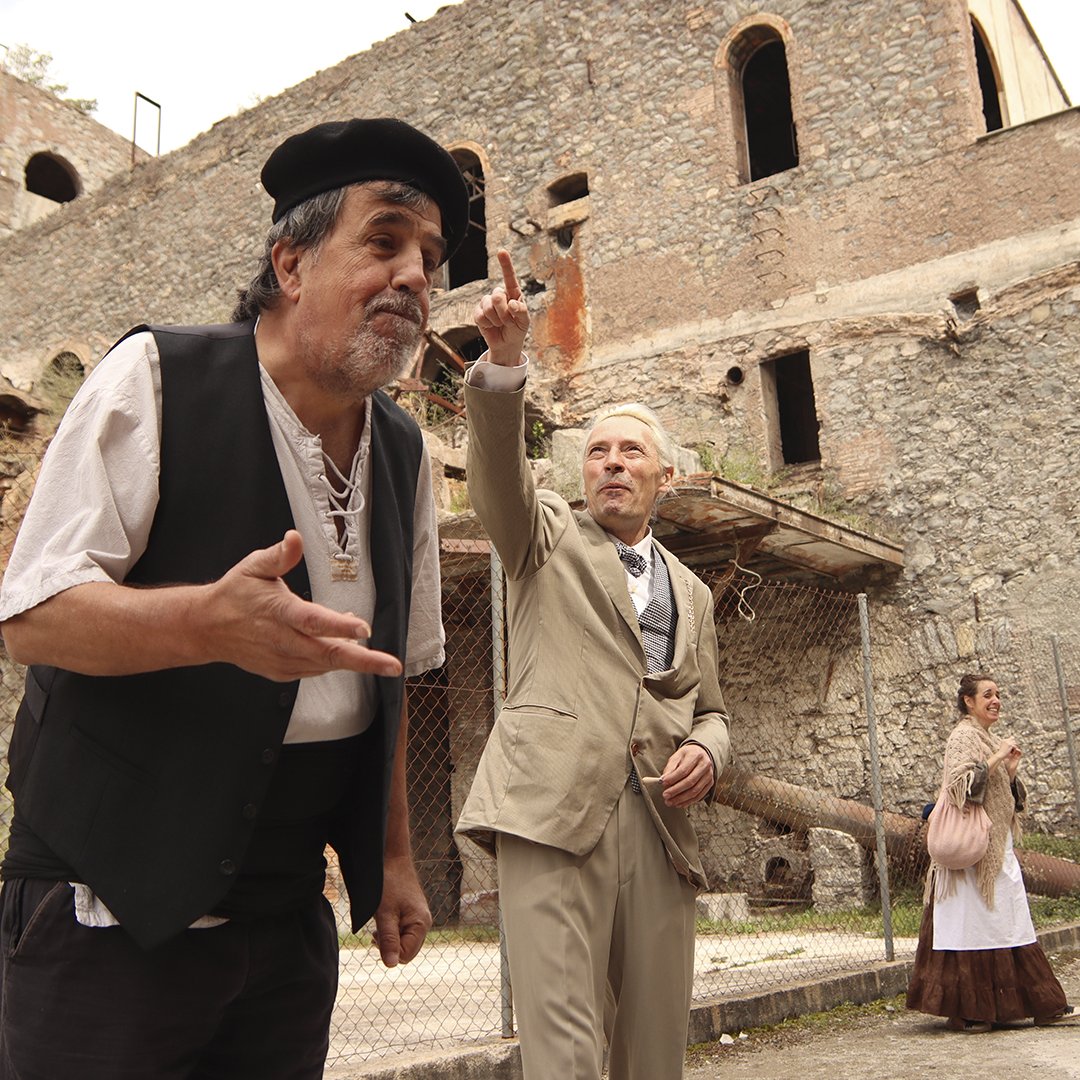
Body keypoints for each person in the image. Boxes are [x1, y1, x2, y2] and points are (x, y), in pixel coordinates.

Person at [0, 117, 468, 1079]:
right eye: (383, 241)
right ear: (290, 264)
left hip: (285, 913)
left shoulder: (408, 453)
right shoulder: (156, 380)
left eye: (429, 256)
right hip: (109, 906)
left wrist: (390, 860)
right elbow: (31, 617)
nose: (416, 275)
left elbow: (393, 677)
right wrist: (203, 623)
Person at [455, 252, 732, 1080]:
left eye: (630, 452)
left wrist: (710, 750)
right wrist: (507, 365)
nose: (611, 462)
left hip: (658, 824)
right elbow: (498, 478)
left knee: (652, 1055)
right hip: (552, 811)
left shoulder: (692, 591)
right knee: (564, 1050)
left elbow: (710, 706)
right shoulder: (543, 539)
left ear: (665, 476)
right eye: (597, 451)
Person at [906, 672, 1076, 1032]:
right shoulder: (963, 736)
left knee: (1010, 925)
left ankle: (1042, 1005)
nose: (996, 700)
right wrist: (997, 758)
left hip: (996, 850)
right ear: (969, 701)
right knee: (973, 928)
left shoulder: (989, 738)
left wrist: (1010, 772)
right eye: (988, 694)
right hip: (971, 856)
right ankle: (971, 1012)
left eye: (998, 694)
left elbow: (1006, 801)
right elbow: (960, 788)